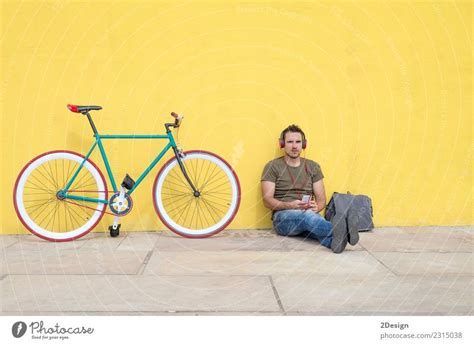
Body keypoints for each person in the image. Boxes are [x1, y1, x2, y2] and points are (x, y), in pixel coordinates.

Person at [261, 124, 358, 253]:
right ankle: (346, 231)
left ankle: (335, 242)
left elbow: (321, 199)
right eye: (290, 142)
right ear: (282, 144)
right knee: (308, 217)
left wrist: (317, 207)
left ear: (304, 144)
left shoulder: (313, 167)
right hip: (282, 218)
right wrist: (291, 205)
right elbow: (267, 201)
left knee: (313, 223)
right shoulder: (272, 166)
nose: (294, 146)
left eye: (298, 142)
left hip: (310, 215)